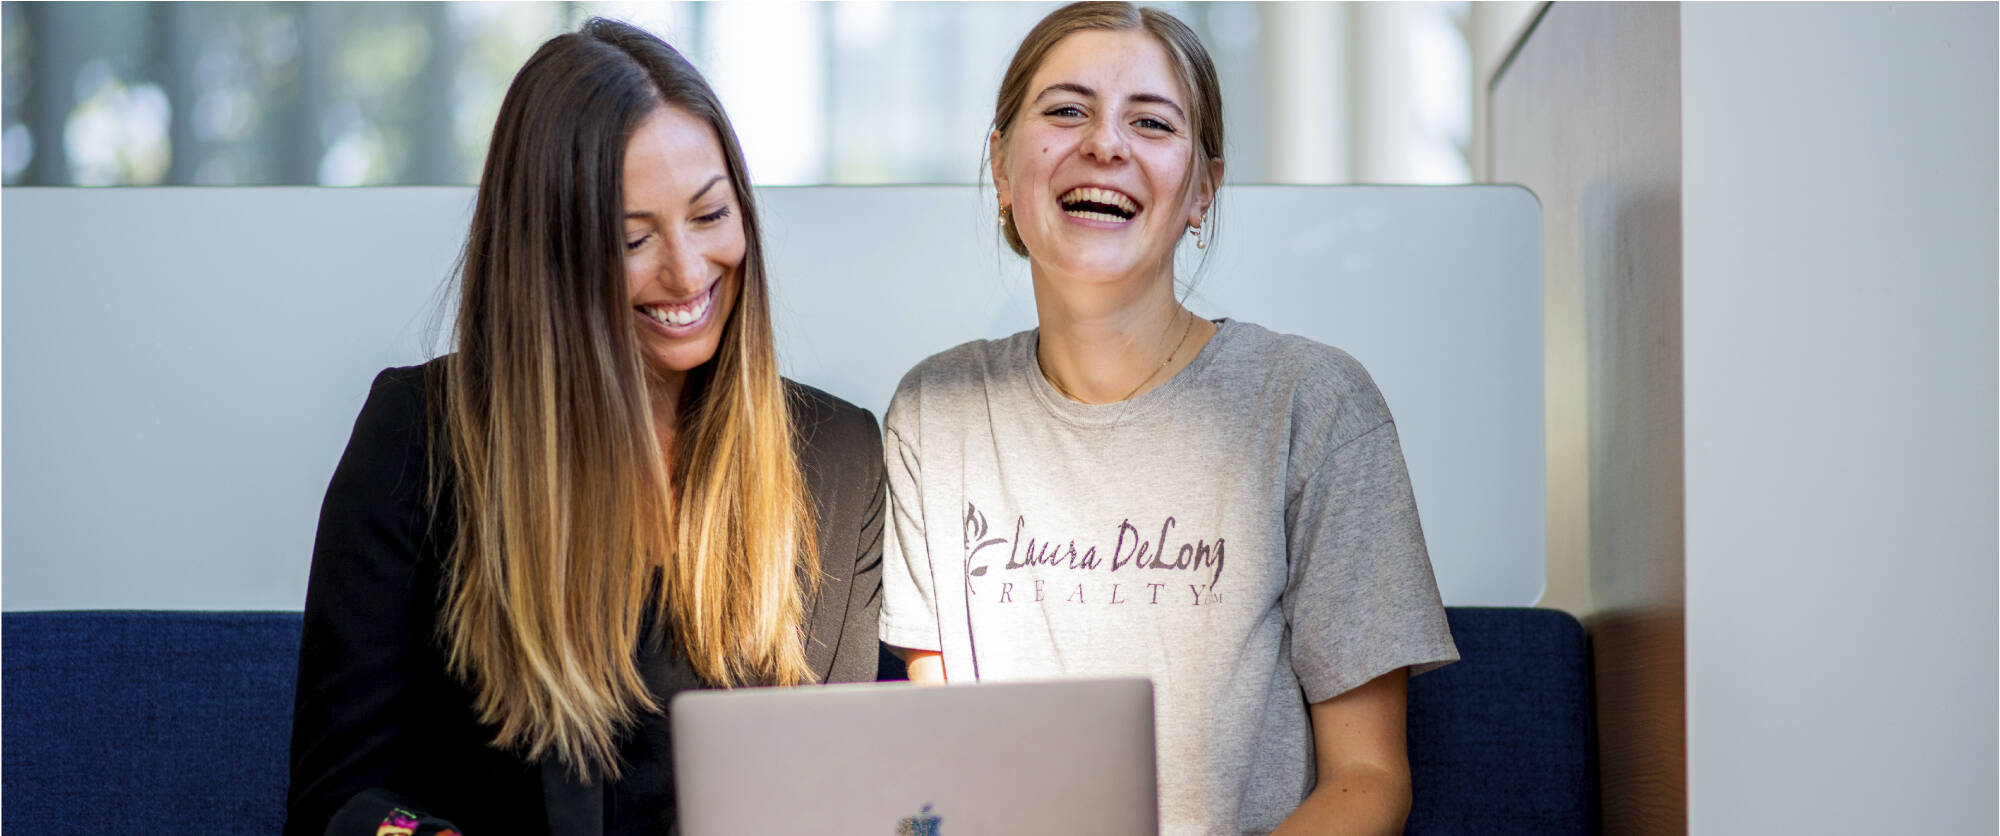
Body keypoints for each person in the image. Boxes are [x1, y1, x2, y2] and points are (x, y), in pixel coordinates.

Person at [285, 19, 885, 836]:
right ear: (544, 255)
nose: (687, 272)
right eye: (632, 238)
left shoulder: (840, 457)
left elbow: (851, 791)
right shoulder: (419, 440)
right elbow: (339, 808)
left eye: (710, 216)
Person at [878, 3, 1458, 834]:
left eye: (1150, 122)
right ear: (1002, 167)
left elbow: (1368, 781)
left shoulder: (1313, 403)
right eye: (1066, 110)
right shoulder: (935, 416)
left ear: (1201, 191)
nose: (1104, 144)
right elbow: (945, 762)